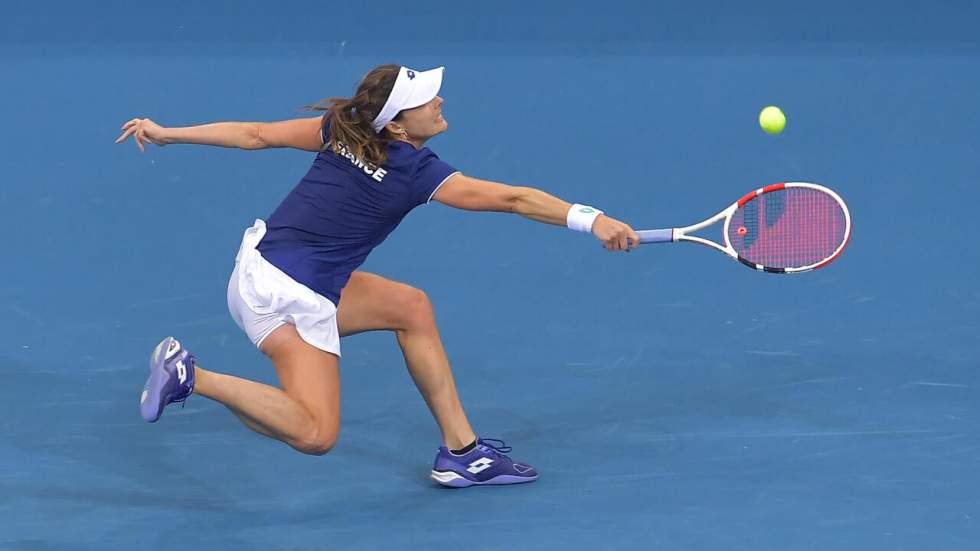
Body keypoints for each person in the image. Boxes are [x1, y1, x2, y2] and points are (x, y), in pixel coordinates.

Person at [117, 64, 639, 488]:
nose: (439, 102)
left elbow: (254, 135)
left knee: (410, 307)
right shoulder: (416, 171)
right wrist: (592, 220)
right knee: (316, 433)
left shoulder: (340, 128)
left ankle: (462, 453)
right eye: (426, 101)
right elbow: (513, 199)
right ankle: (192, 375)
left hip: (261, 267)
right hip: (287, 297)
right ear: (395, 124)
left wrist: (168, 134)